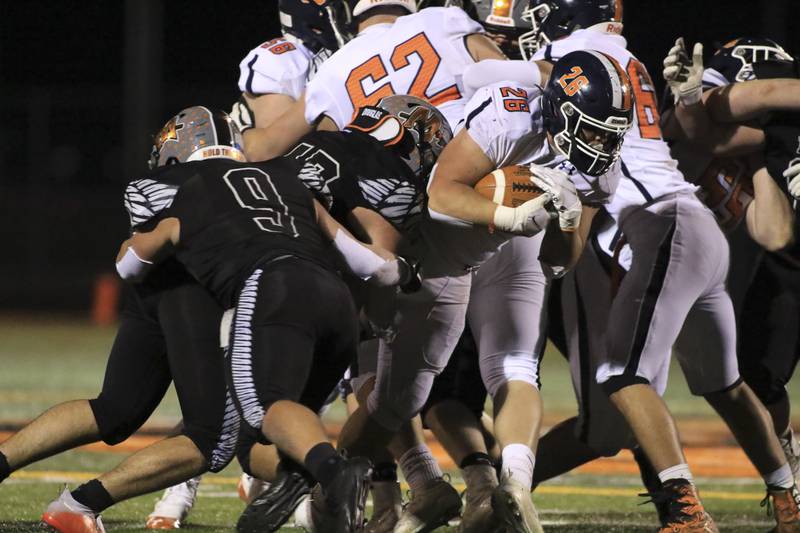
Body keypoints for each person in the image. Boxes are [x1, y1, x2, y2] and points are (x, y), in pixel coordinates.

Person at [462, 2, 800, 529]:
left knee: (622, 373)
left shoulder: (575, 57)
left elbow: (480, 73)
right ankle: (787, 497)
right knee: (725, 387)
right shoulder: (628, 59)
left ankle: (682, 509)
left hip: (659, 226)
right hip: (695, 232)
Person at [113, 106, 425, 533]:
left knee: (261, 409)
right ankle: (305, 483)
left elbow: (128, 268)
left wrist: (150, 240)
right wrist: (408, 273)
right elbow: (377, 266)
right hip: (337, 307)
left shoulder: (193, 189)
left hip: (273, 294)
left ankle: (331, 471)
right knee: (272, 431)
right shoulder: (290, 182)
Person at [0, 107, 247, 533]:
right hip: (200, 296)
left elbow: (136, 257)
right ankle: (81, 503)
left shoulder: (150, 184)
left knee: (114, 409)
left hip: (151, 291)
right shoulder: (251, 179)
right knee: (209, 439)